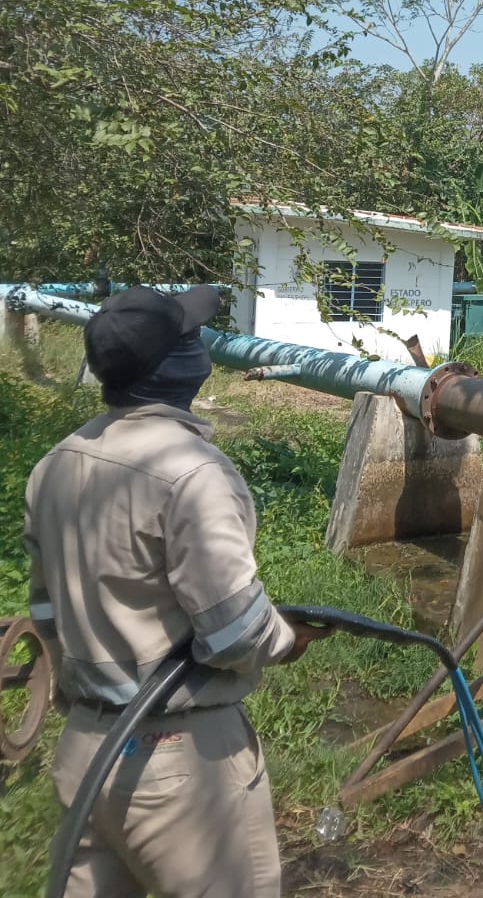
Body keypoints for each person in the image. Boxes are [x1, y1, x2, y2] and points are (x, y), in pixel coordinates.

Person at [25, 284, 329, 898]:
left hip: (86, 748)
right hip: (180, 769)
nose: (201, 349)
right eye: (191, 339)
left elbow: (46, 610)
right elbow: (235, 632)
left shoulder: (57, 462)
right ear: (174, 366)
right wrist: (286, 639)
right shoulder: (192, 473)